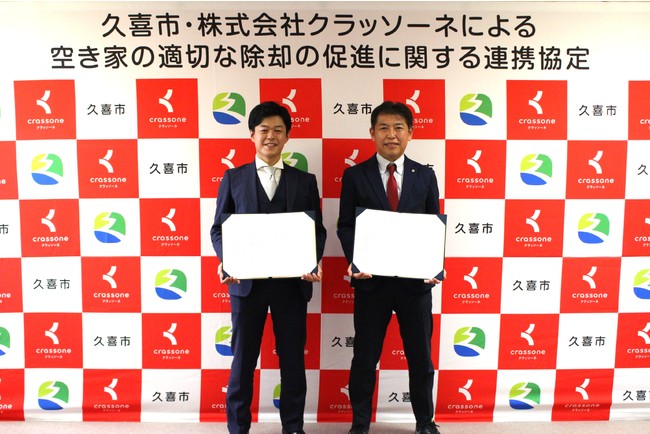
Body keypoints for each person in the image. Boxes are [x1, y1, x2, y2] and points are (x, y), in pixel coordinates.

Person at [210, 101, 327, 434]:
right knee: (243, 361)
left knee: (292, 361)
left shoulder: (305, 181)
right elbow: (219, 229)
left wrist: (312, 260)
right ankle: (238, 428)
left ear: (287, 136)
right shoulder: (233, 178)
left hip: (292, 284)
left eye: (278, 130)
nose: (271, 136)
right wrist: (227, 260)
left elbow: (316, 230)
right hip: (246, 285)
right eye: (264, 130)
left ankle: (293, 427)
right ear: (252, 135)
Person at [337, 101, 443, 434]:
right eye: (383, 127)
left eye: (398, 127)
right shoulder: (355, 175)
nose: (391, 134)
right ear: (372, 133)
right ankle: (359, 424)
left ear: (410, 133)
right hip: (372, 282)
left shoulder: (425, 175)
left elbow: (433, 225)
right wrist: (356, 260)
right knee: (364, 358)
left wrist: (433, 265)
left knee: (420, 357)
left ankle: (425, 422)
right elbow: (345, 226)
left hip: (415, 284)